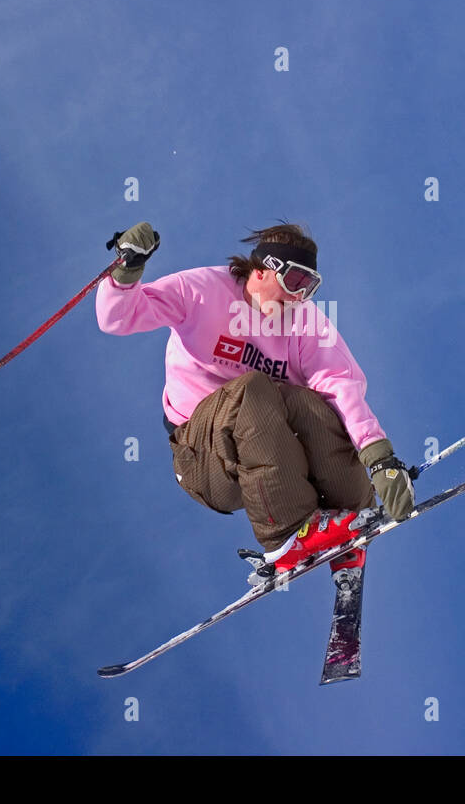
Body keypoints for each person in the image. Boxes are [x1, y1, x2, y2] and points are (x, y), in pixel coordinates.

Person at [95, 221, 414, 575]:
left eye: (309, 288)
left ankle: (351, 519)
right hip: (202, 457)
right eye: (294, 282)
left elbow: (340, 385)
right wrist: (128, 267)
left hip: (265, 453)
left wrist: (380, 459)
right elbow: (119, 318)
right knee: (253, 388)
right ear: (263, 269)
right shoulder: (202, 291)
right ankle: (290, 535)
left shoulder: (304, 323)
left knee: (310, 404)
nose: (298, 297)